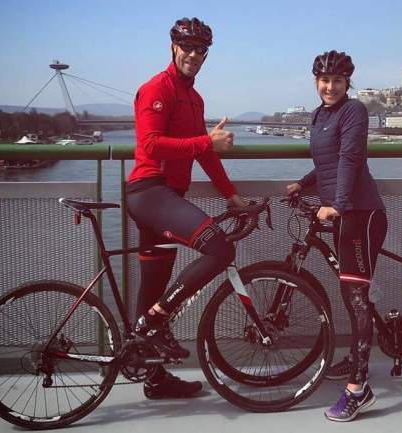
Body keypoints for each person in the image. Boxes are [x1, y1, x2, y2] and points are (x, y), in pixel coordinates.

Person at [126, 17, 245, 399]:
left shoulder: (194, 98)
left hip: (166, 197)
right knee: (220, 249)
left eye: (200, 49)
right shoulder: (157, 88)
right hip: (150, 193)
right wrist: (206, 140)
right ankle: (154, 323)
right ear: (173, 47)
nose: (193, 54)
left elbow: (205, 155)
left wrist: (231, 195)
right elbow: (150, 144)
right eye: (187, 47)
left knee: (153, 286)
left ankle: (154, 378)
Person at [287, 50, 388, 422]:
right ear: (316, 82)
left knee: (356, 298)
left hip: (360, 214)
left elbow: (349, 158)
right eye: (324, 80)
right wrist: (303, 183)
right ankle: (358, 357)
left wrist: (338, 205)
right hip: (343, 214)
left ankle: (358, 390)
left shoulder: (354, 110)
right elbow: (326, 164)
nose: (330, 87)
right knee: (352, 295)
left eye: (337, 81)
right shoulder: (319, 115)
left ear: (348, 83)